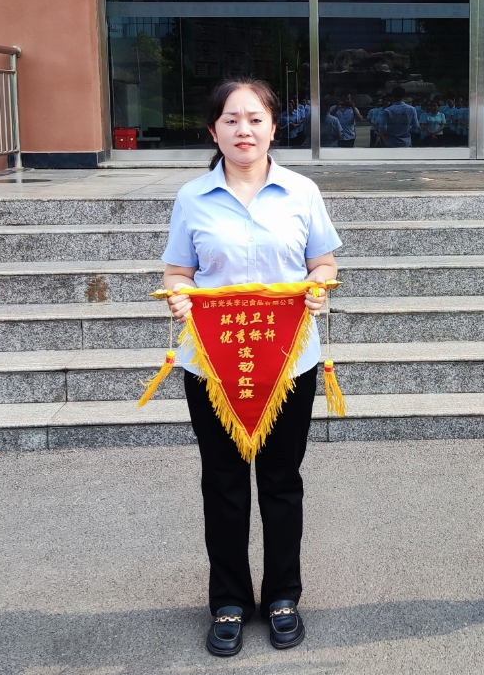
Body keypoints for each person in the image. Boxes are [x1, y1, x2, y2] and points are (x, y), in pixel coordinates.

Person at [162, 77, 341, 657]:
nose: (244, 130)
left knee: (282, 482)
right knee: (223, 483)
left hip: (288, 363)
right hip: (213, 365)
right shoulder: (192, 197)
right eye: (231, 120)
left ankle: (284, 595)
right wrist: (179, 295)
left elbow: (323, 263)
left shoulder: (301, 192)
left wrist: (318, 286)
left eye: (255, 119)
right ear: (213, 131)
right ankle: (229, 602)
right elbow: (177, 272)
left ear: (273, 127)